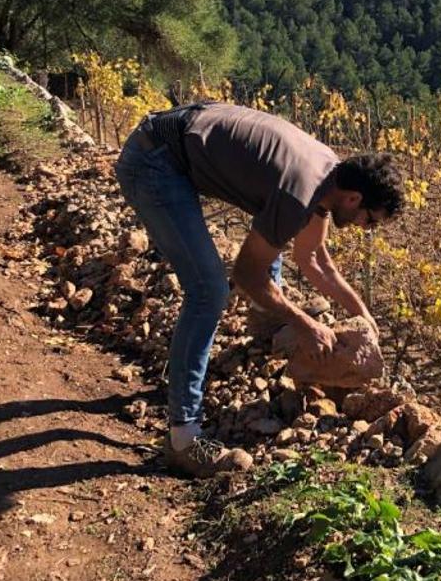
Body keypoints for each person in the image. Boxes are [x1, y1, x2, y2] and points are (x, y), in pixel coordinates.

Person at [114, 101, 404, 477]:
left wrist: (360, 312)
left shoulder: (329, 173)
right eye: (371, 220)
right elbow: (247, 273)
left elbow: (314, 258)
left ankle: (265, 326)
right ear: (354, 198)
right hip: (152, 162)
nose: (367, 229)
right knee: (208, 291)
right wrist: (304, 323)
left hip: (169, 140)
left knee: (273, 240)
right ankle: (183, 438)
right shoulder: (300, 193)